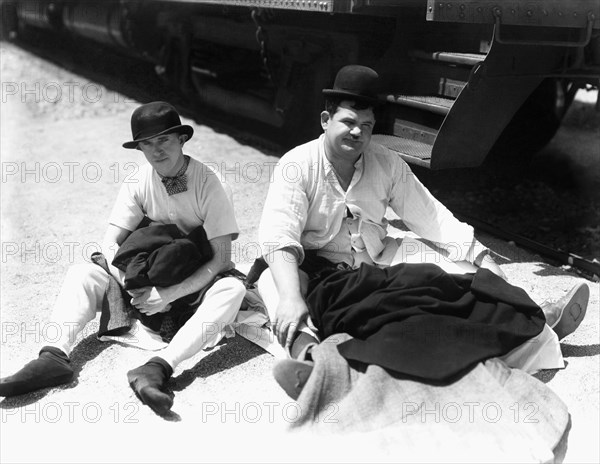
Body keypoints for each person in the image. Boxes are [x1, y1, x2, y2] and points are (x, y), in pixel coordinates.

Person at [255, 64, 589, 361]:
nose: (358, 133)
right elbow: (278, 237)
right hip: (320, 272)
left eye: (367, 125)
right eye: (349, 122)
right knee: (276, 283)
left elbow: (432, 217)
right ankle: (311, 359)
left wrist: (484, 260)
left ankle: (540, 320)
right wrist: (290, 297)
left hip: (377, 261)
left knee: (464, 271)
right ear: (326, 120)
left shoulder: (386, 161)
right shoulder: (297, 165)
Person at [0, 102, 246, 415]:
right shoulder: (138, 179)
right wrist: (133, 288)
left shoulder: (212, 184)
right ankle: (53, 356)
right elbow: (110, 243)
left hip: (193, 284)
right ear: (139, 147)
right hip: (144, 282)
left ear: (182, 140)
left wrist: (169, 294)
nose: (156, 151)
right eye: (147, 144)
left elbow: (222, 259)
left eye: (164, 140)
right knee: (82, 273)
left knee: (233, 290)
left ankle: (157, 368)